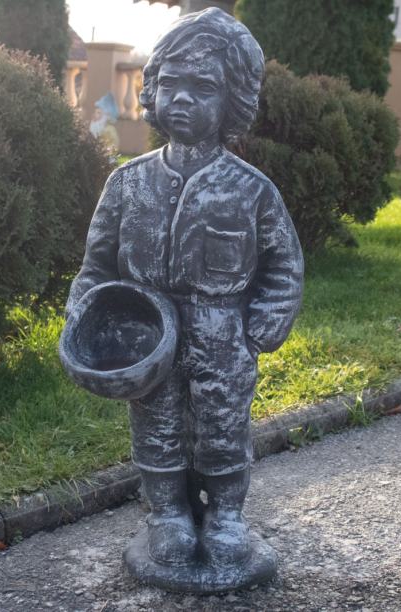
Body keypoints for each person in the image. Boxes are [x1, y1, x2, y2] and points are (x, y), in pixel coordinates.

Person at [66, 8, 303, 568]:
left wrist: (263, 323)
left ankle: (226, 515)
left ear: (232, 101)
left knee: (222, 425)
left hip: (222, 332)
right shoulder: (127, 184)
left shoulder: (251, 191)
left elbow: (284, 263)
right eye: (171, 83)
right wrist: (84, 314)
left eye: (204, 87)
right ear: (152, 89)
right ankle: (167, 513)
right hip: (145, 332)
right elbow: (97, 263)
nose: (183, 99)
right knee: (157, 424)